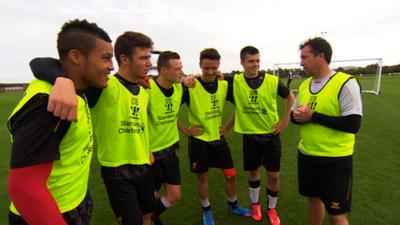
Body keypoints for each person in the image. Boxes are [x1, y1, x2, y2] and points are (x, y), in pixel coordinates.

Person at [29, 31, 156, 225]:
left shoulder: (145, 91)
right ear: (124, 59)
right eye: (144, 58)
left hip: (144, 163)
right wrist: (61, 79)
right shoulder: (103, 85)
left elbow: (142, 126)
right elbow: (40, 63)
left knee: (148, 215)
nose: (150, 63)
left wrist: (147, 149)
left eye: (150, 57)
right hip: (117, 169)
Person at [7, 19, 114, 225]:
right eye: (106, 58)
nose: (111, 66)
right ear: (76, 57)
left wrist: (60, 78)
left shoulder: (81, 87)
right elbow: (24, 189)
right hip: (49, 213)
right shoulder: (48, 104)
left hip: (73, 202)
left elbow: (39, 62)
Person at [291, 37, 362, 225]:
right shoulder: (305, 84)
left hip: (335, 160)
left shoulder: (345, 83)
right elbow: (293, 116)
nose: (301, 62)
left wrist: (313, 116)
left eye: (305, 57)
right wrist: (297, 116)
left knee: (336, 213)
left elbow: (353, 124)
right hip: (307, 155)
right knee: (313, 199)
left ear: (320, 56)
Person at [179, 48, 252, 225]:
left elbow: (241, 107)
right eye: (206, 68)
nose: (210, 72)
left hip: (218, 140)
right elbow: (170, 112)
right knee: (202, 177)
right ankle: (207, 210)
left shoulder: (225, 85)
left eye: (213, 68)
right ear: (200, 66)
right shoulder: (190, 86)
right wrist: (187, 131)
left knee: (230, 175)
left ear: (219, 66)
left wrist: (226, 127)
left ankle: (233, 205)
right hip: (199, 142)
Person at [231, 46, 295, 225]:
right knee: (253, 172)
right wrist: (191, 77)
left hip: (271, 137)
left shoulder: (272, 80)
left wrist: (284, 121)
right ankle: (255, 204)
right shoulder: (235, 80)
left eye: (257, 60)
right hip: (250, 137)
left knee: (274, 175)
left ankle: (272, 208)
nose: (255, 64)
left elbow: (290, 97)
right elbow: (211, 77)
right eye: (251, 61)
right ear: (242, 63)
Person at [147, 51, 185, 225]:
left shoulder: (179, 87)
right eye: (177, 69)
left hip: (170, 150)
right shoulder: (147, 88)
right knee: (150, 197)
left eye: (181, 68)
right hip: (151, 154)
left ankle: (153, 215)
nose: (181, 72)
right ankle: (152, 217)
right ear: (163, 70)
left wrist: (188, 131)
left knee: (175, 195)